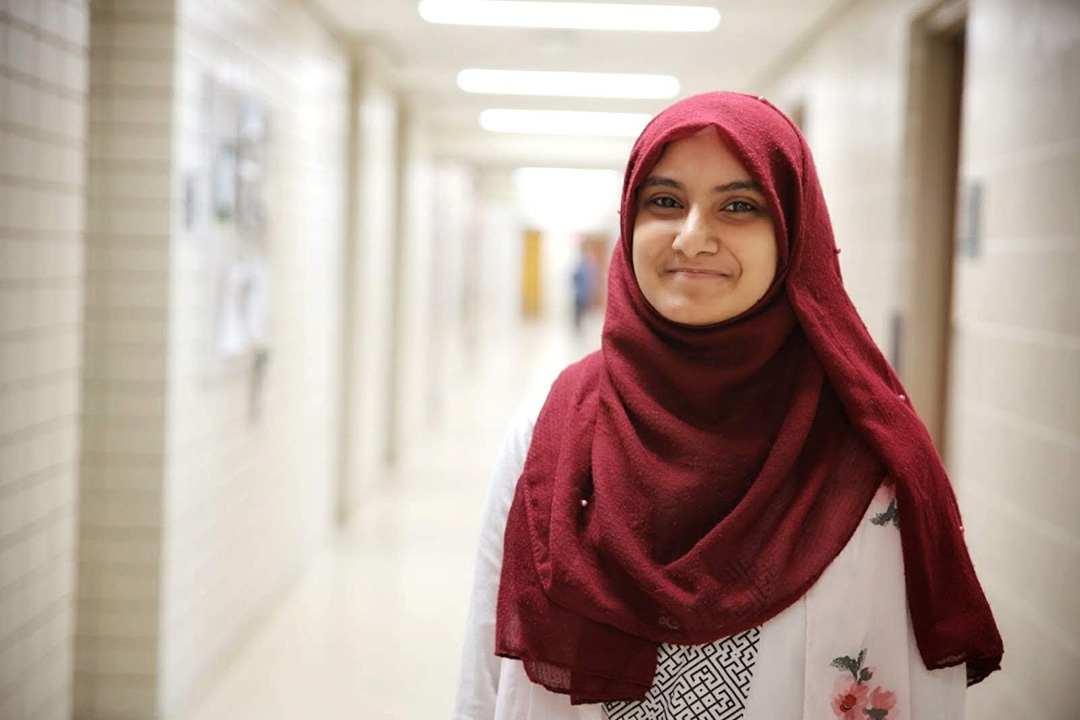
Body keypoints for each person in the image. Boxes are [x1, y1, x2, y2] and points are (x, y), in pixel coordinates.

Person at [452, 92, 1002, 720]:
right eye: (665, 202)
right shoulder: (554, 427)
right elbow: (485, 677)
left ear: (794, 232)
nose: (693, 237)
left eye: (738, 206)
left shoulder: (867, 448)